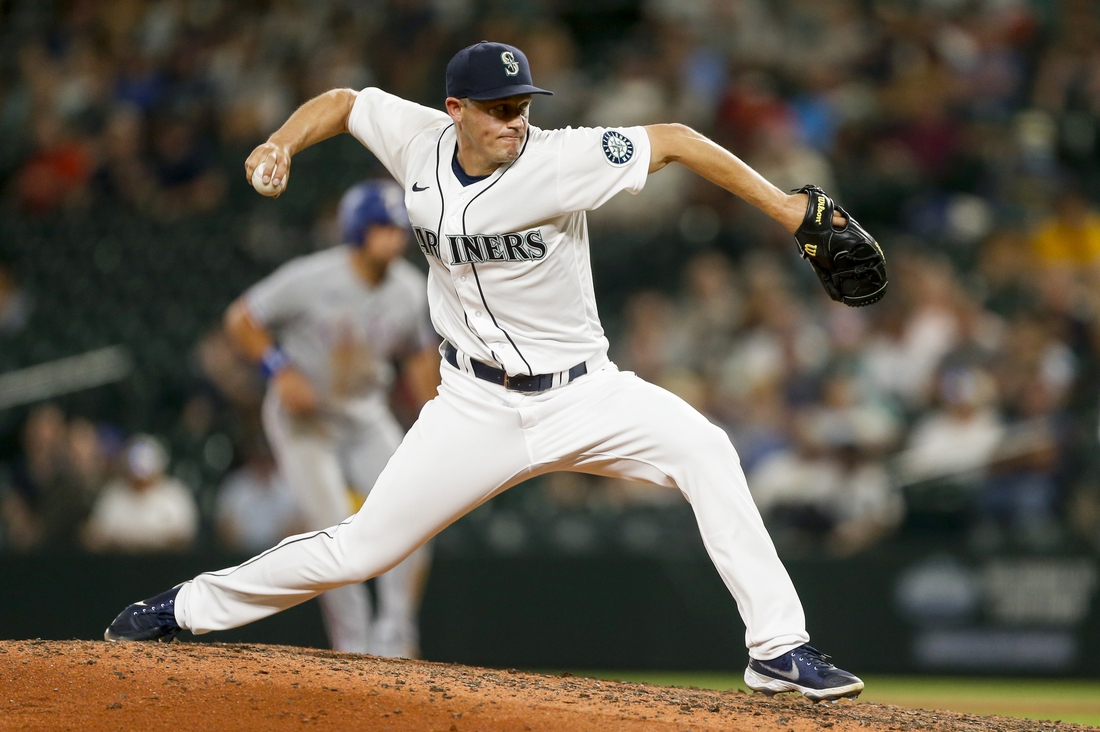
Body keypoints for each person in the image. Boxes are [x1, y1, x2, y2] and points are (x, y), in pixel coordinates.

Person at [105, 41, 864, 701]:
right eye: (497, 108)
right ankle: (182, 609)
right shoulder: (418, 142)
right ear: (455, 109)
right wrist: (280, 142)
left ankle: (777, 650)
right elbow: (343, 102)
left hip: (586, 392)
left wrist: (785, 209)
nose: (514, 120)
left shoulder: (561, 158)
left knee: (707, 450)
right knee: (363, 548)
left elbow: (675, 140)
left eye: (521, 105)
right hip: (472, 406)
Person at [218, 179, 440, 657]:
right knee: (333, 533)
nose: (394, 238)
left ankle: (395, 635)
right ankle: (353, 646)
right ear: (358, 229)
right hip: (305, 424)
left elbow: (421, 362)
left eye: (398, 228)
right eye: (383, 227)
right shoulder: (312, 277)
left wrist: (438, 420)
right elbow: (241, 318)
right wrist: (278, 369)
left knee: (416, 513)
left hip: (363, 416)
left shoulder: (408, 289)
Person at [84, 435, 199, 553]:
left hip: (166, 566)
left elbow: (185, 537)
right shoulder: (113, 494)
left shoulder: (175, 494)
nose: (141, 481)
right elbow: (94, 536)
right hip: (118, 566)